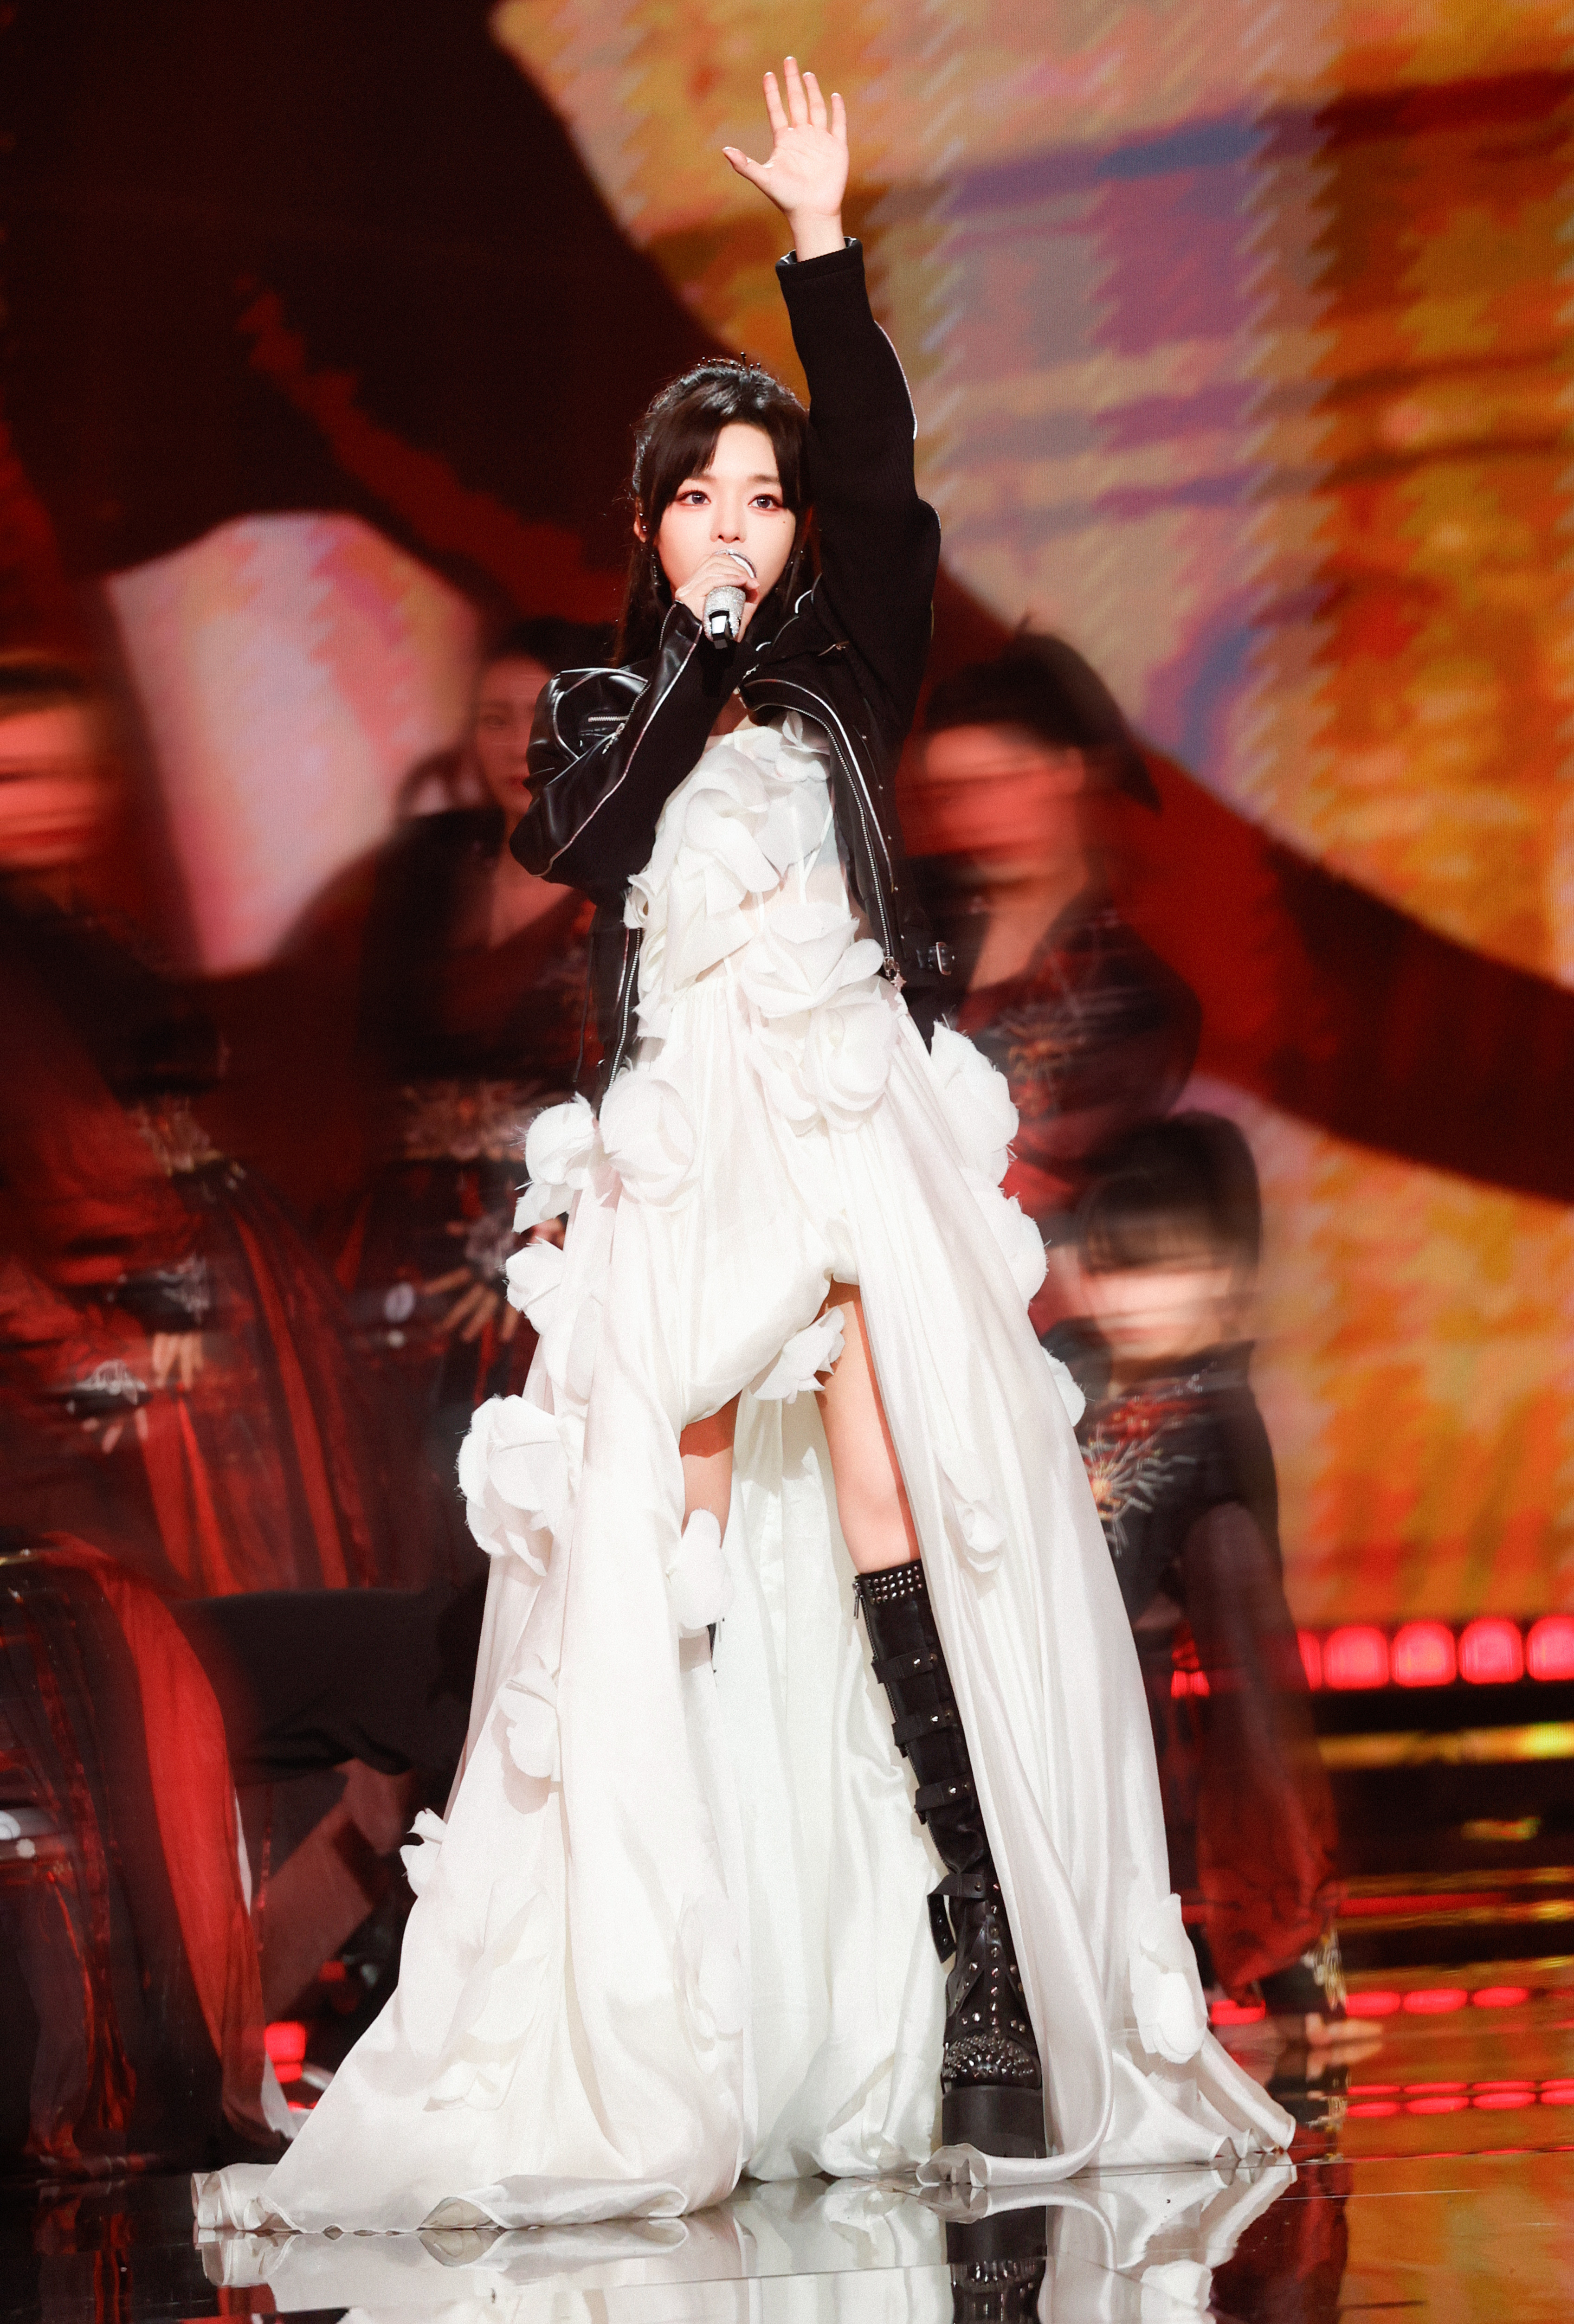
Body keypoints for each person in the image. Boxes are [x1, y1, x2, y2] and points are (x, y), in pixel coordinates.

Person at [195, 61, 1290, 2236]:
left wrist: (817, 249)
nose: (731, 519)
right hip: (694, 1147)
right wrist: (688, 661)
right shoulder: (611, 710)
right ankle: (677, 1982)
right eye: (695, 494)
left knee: (898, 1487)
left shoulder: (847, 682)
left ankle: (985, 1964)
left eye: (757, 496)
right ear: (648, 526)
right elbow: (584, 843)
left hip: (849, 1124)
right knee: (669, 1512)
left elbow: (881, 467)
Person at [0, 652, 451, 1596]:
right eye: (14, 776)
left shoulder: (89, 924)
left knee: (303, 1576)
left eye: (65, 772)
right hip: (106, 1323)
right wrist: (90, 1353)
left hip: (236, 1289)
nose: (43, 802)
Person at [1046, 1114, 1366, 2050]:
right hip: (1064, 1654)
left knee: (1225, 1557)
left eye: (1168, 1268)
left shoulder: (1213, 1412)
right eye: (1117, 1267)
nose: (1136, 1300)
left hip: (1165, 1659)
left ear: (1224, 1278)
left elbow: (1230, 1604)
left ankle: (1285, 1929)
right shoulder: (1061, 1366)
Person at [311, 617, 606, 1485]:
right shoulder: (426, 867)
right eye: (492, 718)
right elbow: (369, 1054)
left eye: (542, 714)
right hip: (399, 1235)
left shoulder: (628, 875)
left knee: (528, 1472)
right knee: (390, 1473)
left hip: (554, 1229)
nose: (517, 743)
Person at [910, 637, 1201, 1333]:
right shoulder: (910, 916)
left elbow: (1026, 1197)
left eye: (996, 783)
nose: (971, 819)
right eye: (951, 795)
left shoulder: (1137, 1005)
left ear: (1068, 770)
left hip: (1012, 1329)